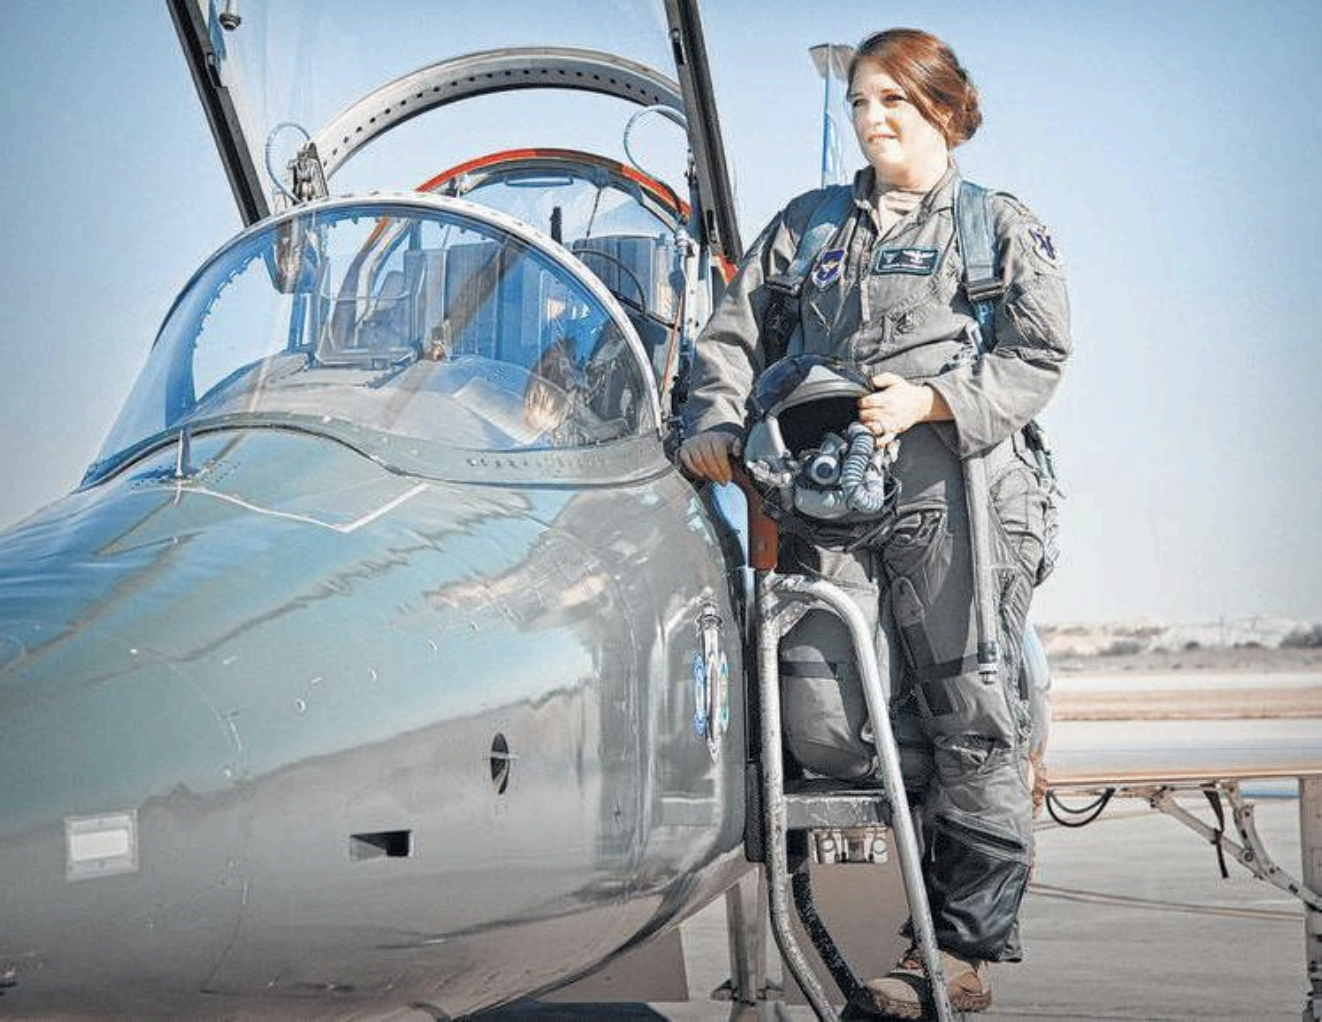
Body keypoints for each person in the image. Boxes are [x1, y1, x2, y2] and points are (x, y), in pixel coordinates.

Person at [679, 28, 1069, 1017]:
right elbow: (731, 335)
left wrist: (932, 400)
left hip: (957, 489)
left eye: (892, 99)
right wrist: (715, 421)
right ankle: (842, 935)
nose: (871, 117)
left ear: (943, 106)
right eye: (859, 101)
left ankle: (962, 950)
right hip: (825, 493)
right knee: (823, 715)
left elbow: (1037, 354)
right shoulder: (806, 227)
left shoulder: (996, 228)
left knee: (966, 709)